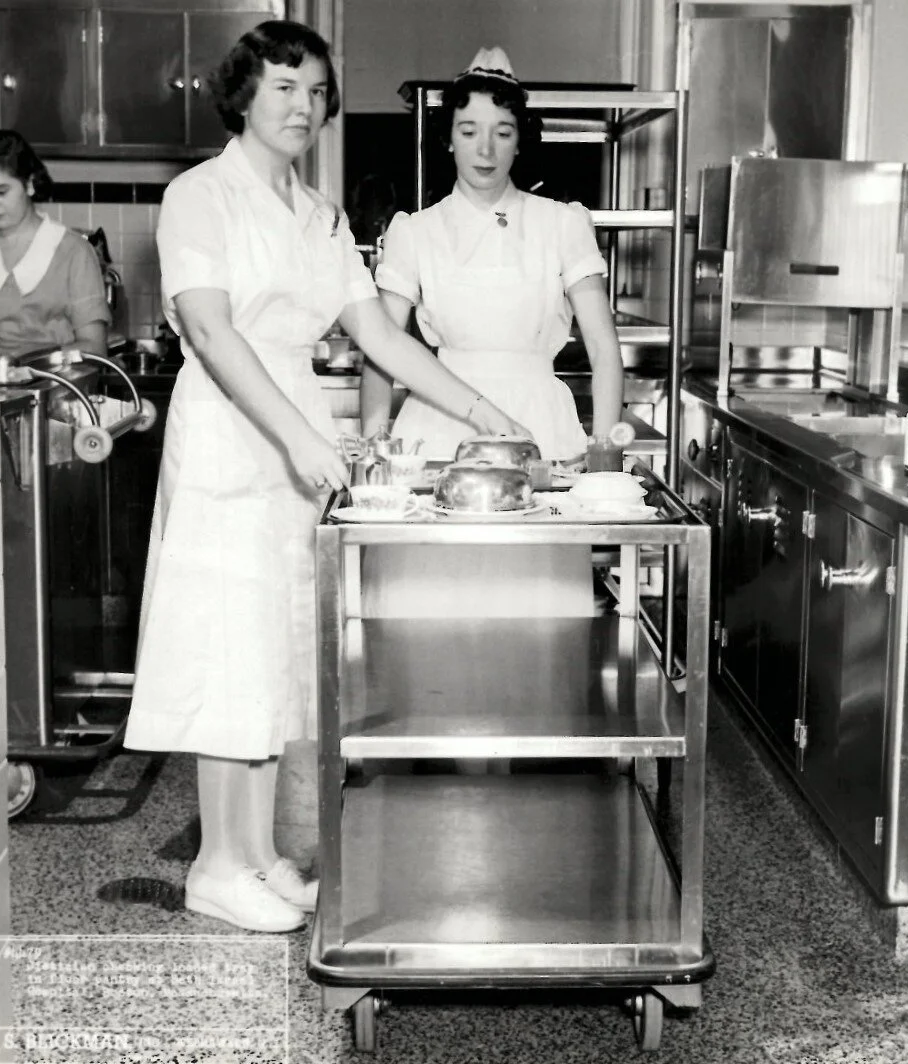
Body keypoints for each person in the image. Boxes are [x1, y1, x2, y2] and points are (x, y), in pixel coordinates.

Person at [122, 21, 527, 934]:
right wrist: (298, 439)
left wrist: (479, 410)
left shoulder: (320, 213)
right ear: (242, 96)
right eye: (281, 88)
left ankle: (259, 854)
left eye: (313, 91)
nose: (302, 106)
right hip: (233, 431)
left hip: (293, 433)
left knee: (271, 649)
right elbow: (215, 333)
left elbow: (381, 334)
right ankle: (214, 868)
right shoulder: (200, 196)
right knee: (225, 646)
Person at [358, 47, 624, 617]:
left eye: (502, 132)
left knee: (535, 604)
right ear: (448, 137)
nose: (485, 148)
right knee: (431, 604)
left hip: (540, 426)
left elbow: (604, 348)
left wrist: (603, 457)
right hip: (439, 422)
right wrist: (375, 457)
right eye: (469, 130)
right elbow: (381, 351)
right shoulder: (416, 232)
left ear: (520, 140)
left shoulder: (562, 223)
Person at [0, 130, 109, 359]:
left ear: (29, 184)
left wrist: (22, 365)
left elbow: (94, 346)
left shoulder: (74, 253)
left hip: (57, 389)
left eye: (1, 192)